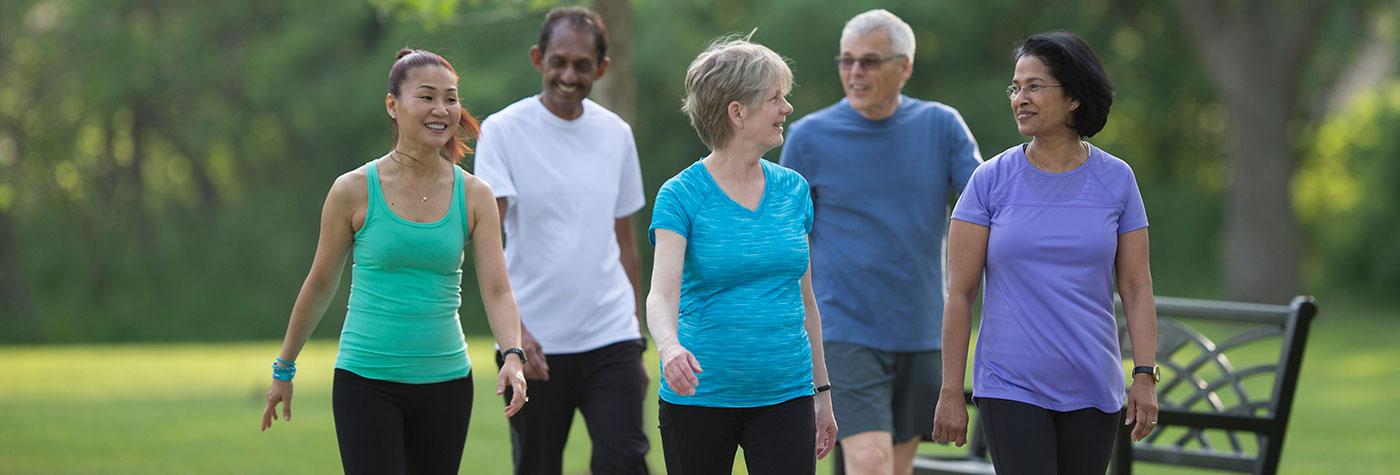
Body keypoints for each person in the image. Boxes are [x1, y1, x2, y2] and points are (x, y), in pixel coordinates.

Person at [259, 48, 528, 475]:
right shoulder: (352, 190)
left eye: (451, 98)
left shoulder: (475, 195)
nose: (441, 109)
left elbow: (497, 289)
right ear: (393, 105)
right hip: (366, 382)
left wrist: (512, 354)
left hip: (447, 384)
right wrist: (284, 367)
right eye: (427, 97)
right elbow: (320, 284)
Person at [931, 31, 1159, 474]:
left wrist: (1145, 375)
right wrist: (950, 391)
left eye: (1035, 86)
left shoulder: (1117, 180)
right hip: (1010, 385)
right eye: (1016, 88)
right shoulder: (989, 181)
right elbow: (959, 293)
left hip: (1094, 387)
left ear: (1073, 97)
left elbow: (1136, 285)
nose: (1020, 98)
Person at [778, 9, 982, 475]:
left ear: (904, 66)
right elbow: (788, 237)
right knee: (869, 462)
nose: (855, 72)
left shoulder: (942, 126)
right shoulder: (809, 138)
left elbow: (987, 207)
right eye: (846, 60)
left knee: (895, 466)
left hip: (922, 328)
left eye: (869, 61)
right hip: (843, 331)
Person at [645, 36, 838, 474]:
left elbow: (806, 299)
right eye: (775, 98)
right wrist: (670, 347)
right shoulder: (680, 195)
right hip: (700, 397)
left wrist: (822, 392)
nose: (786, 108)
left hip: (786, 393)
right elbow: (661, 294)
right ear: (737, 112)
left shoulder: (793, 190)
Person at [472, 6, 650, 474]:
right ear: (538, 59)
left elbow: (625, 241)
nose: (569, 75)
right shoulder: (502, 131)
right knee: (537, 464)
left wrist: (636, 337)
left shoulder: (616, 135)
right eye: (559, 61)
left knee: (626, 461)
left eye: (582, 65)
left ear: (601, 69)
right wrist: (515, 336)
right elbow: (488, 246)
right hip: (533, 345)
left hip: (610, 337)